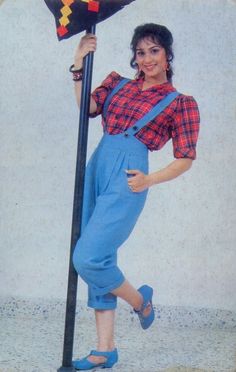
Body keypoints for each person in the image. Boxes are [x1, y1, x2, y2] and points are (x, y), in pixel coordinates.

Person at [70, 23, 200, 370]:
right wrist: (78, 64)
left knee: (88, 258)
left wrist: (149, 180)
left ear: (167, 55)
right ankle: (104, 349)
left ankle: (141, 301)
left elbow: (185, 159)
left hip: (130, 177)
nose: (147, 59)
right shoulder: (117, 83)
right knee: (102, 257)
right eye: (141, 52)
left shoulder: (180, 103)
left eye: (154, 51)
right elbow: (88, 109)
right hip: (97, 165)